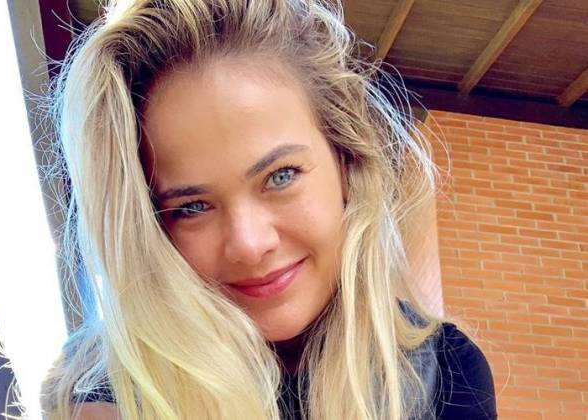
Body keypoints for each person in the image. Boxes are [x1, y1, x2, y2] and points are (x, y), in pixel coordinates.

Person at [39, 0, 497, 419]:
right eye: (192, 207)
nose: (249, 244)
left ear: (345, 163)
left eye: (281, 176)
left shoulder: (444, 370)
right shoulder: (106, 393)